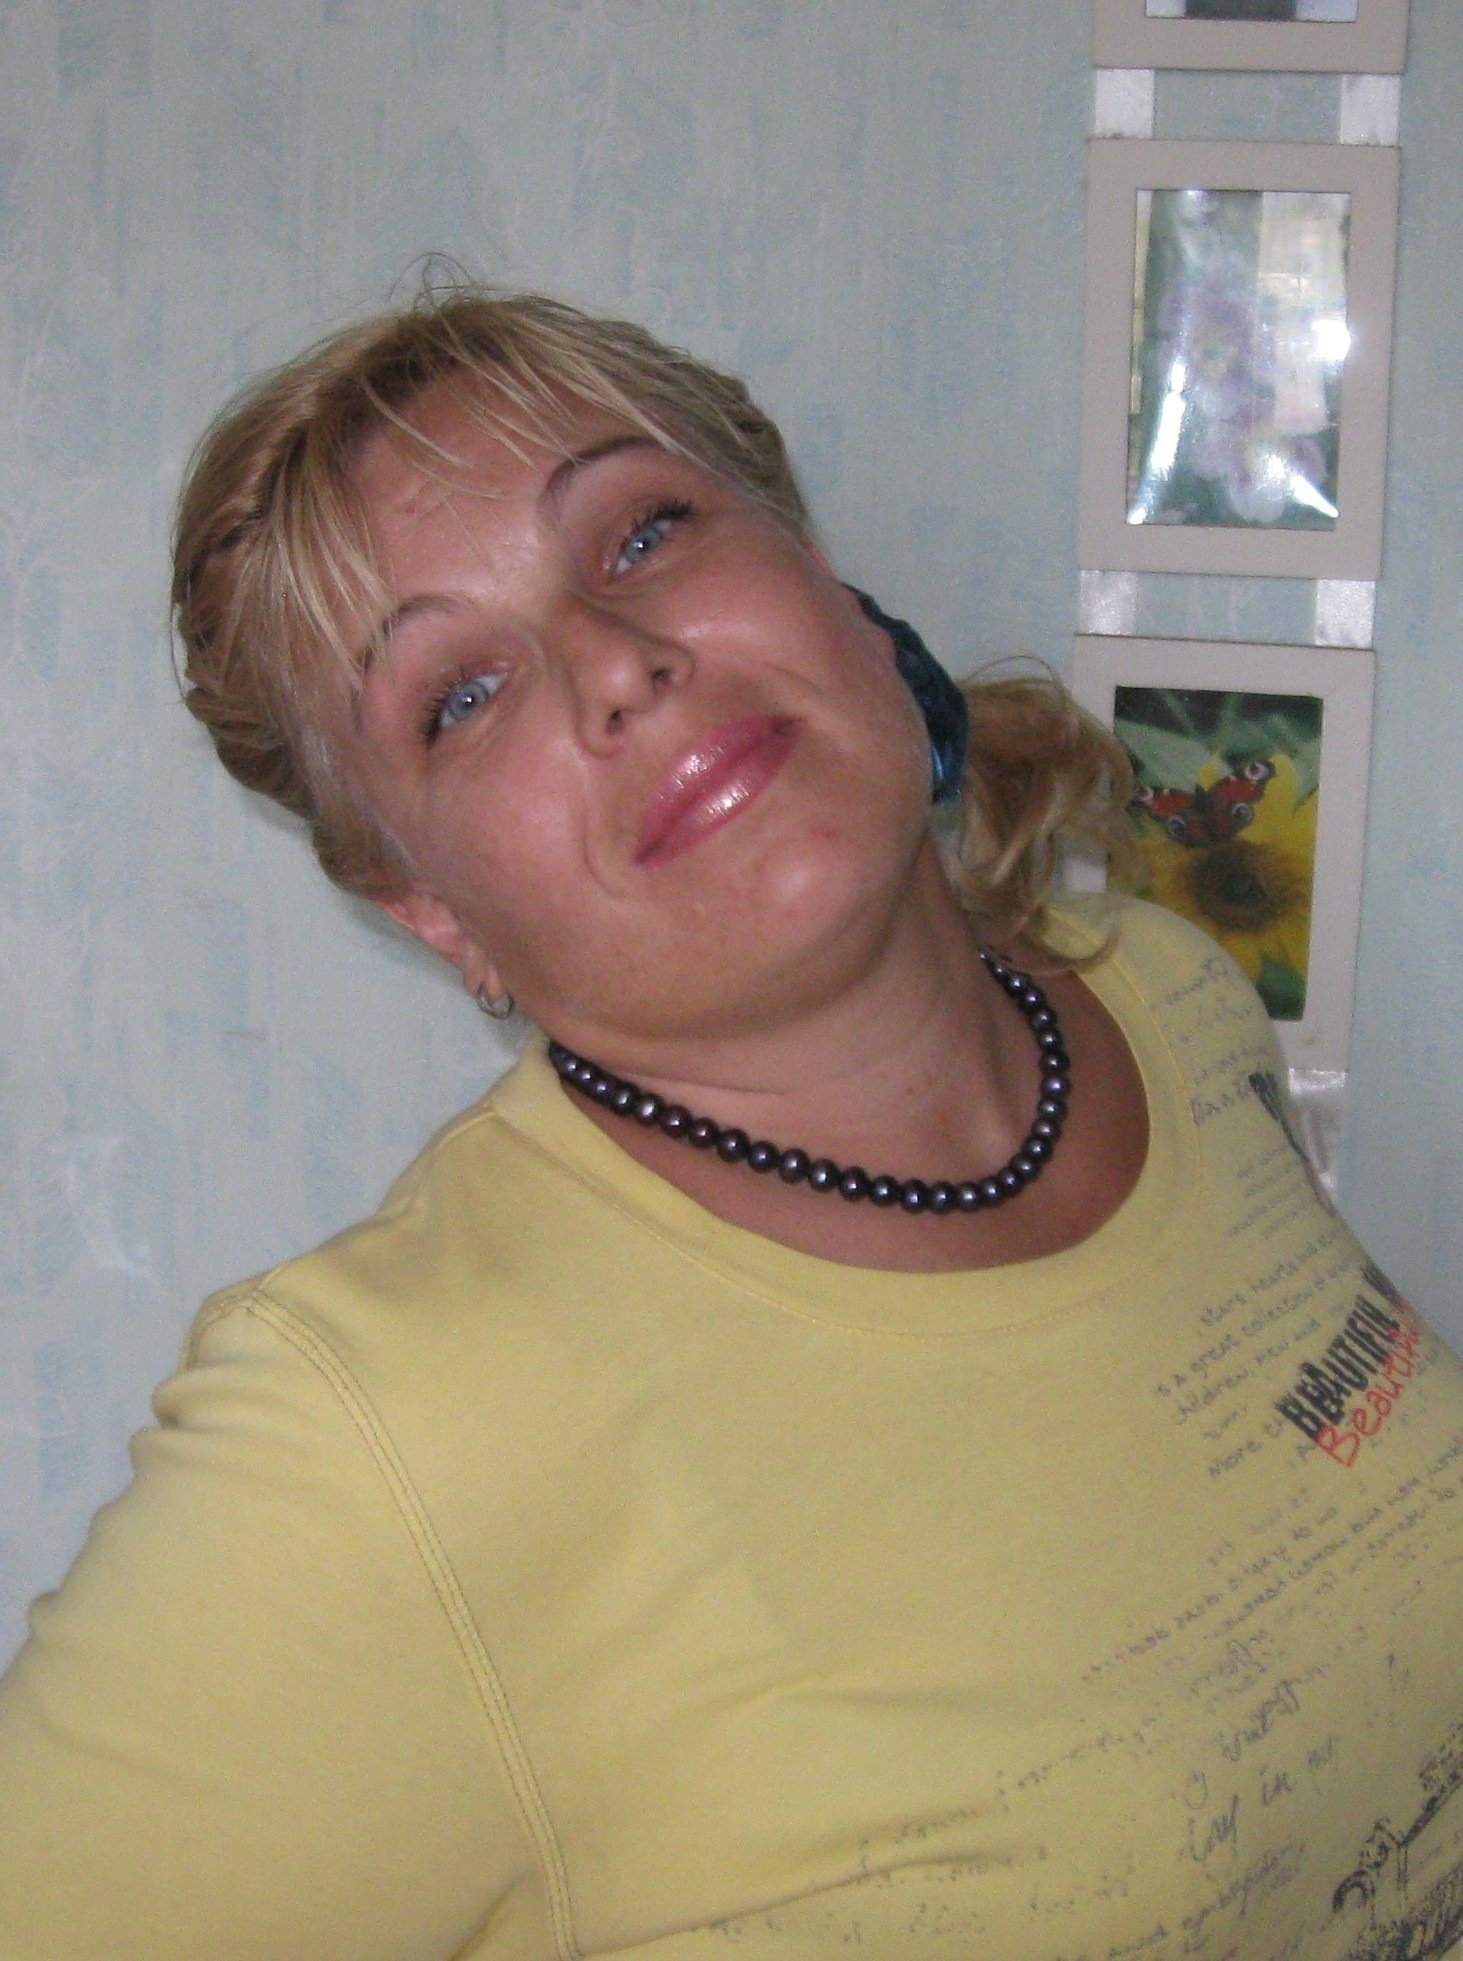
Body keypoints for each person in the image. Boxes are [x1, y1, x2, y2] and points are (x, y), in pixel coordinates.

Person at [0, 288, 1461, 1961]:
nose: (613, 662)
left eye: (643, 535)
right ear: (431, 907)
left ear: (820, 573)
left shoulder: (1163, 995)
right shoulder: (375, 1436)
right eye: (460, 694)